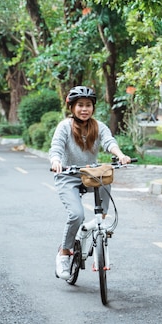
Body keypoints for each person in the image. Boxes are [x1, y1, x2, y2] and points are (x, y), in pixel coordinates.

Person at [49, 86, 131, 280]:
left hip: (89, 174)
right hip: (68, 175)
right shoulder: (64, 127)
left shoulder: (98, 126)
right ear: (72, 107)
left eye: (88, 105)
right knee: (76, 214)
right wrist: (56, 161)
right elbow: (56, 148)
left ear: (93, 107)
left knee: (105, 181)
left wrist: (120, 155)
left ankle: (99, 224)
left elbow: (109, 141)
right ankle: (64, 253)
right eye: (80, 105)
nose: (84, 109)